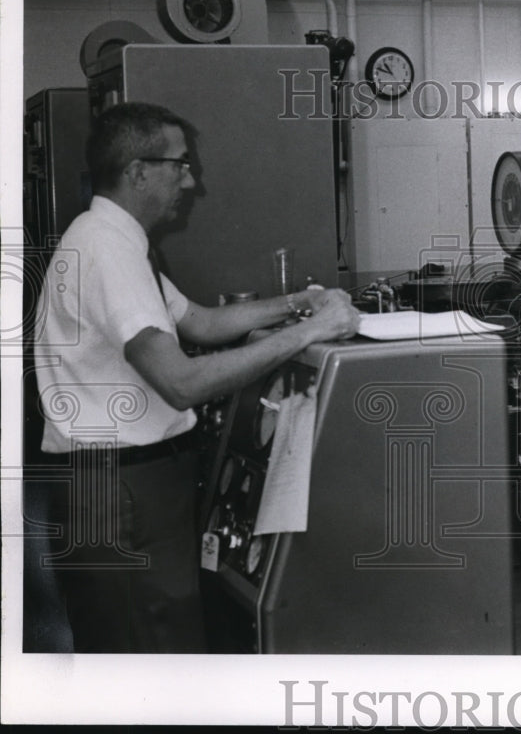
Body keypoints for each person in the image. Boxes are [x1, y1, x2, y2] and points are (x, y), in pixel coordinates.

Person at [32, 102, 360, 653]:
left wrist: (296, 303)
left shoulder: (113, 239)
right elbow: (180, 382)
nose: (191, 179)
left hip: (129, 485)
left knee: (151, 642)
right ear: (138, 171)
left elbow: (200, 323)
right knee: (150, 654)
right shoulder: (106, 248)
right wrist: (309, 333)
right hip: (124, 491)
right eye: (180, 165)